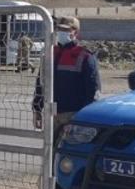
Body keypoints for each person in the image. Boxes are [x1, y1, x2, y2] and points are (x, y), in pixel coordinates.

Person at [33, 15, 100, 147]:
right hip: (51, 114)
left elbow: (93, 92)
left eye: (66, 30)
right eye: (59, 29)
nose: (61, 33)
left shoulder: (85, 56)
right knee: (50, 153)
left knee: (68, 154)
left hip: (72, 116)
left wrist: (80, 120)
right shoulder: (50, 54)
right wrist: (37, 109)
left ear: (75, 32)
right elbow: (40, 83)